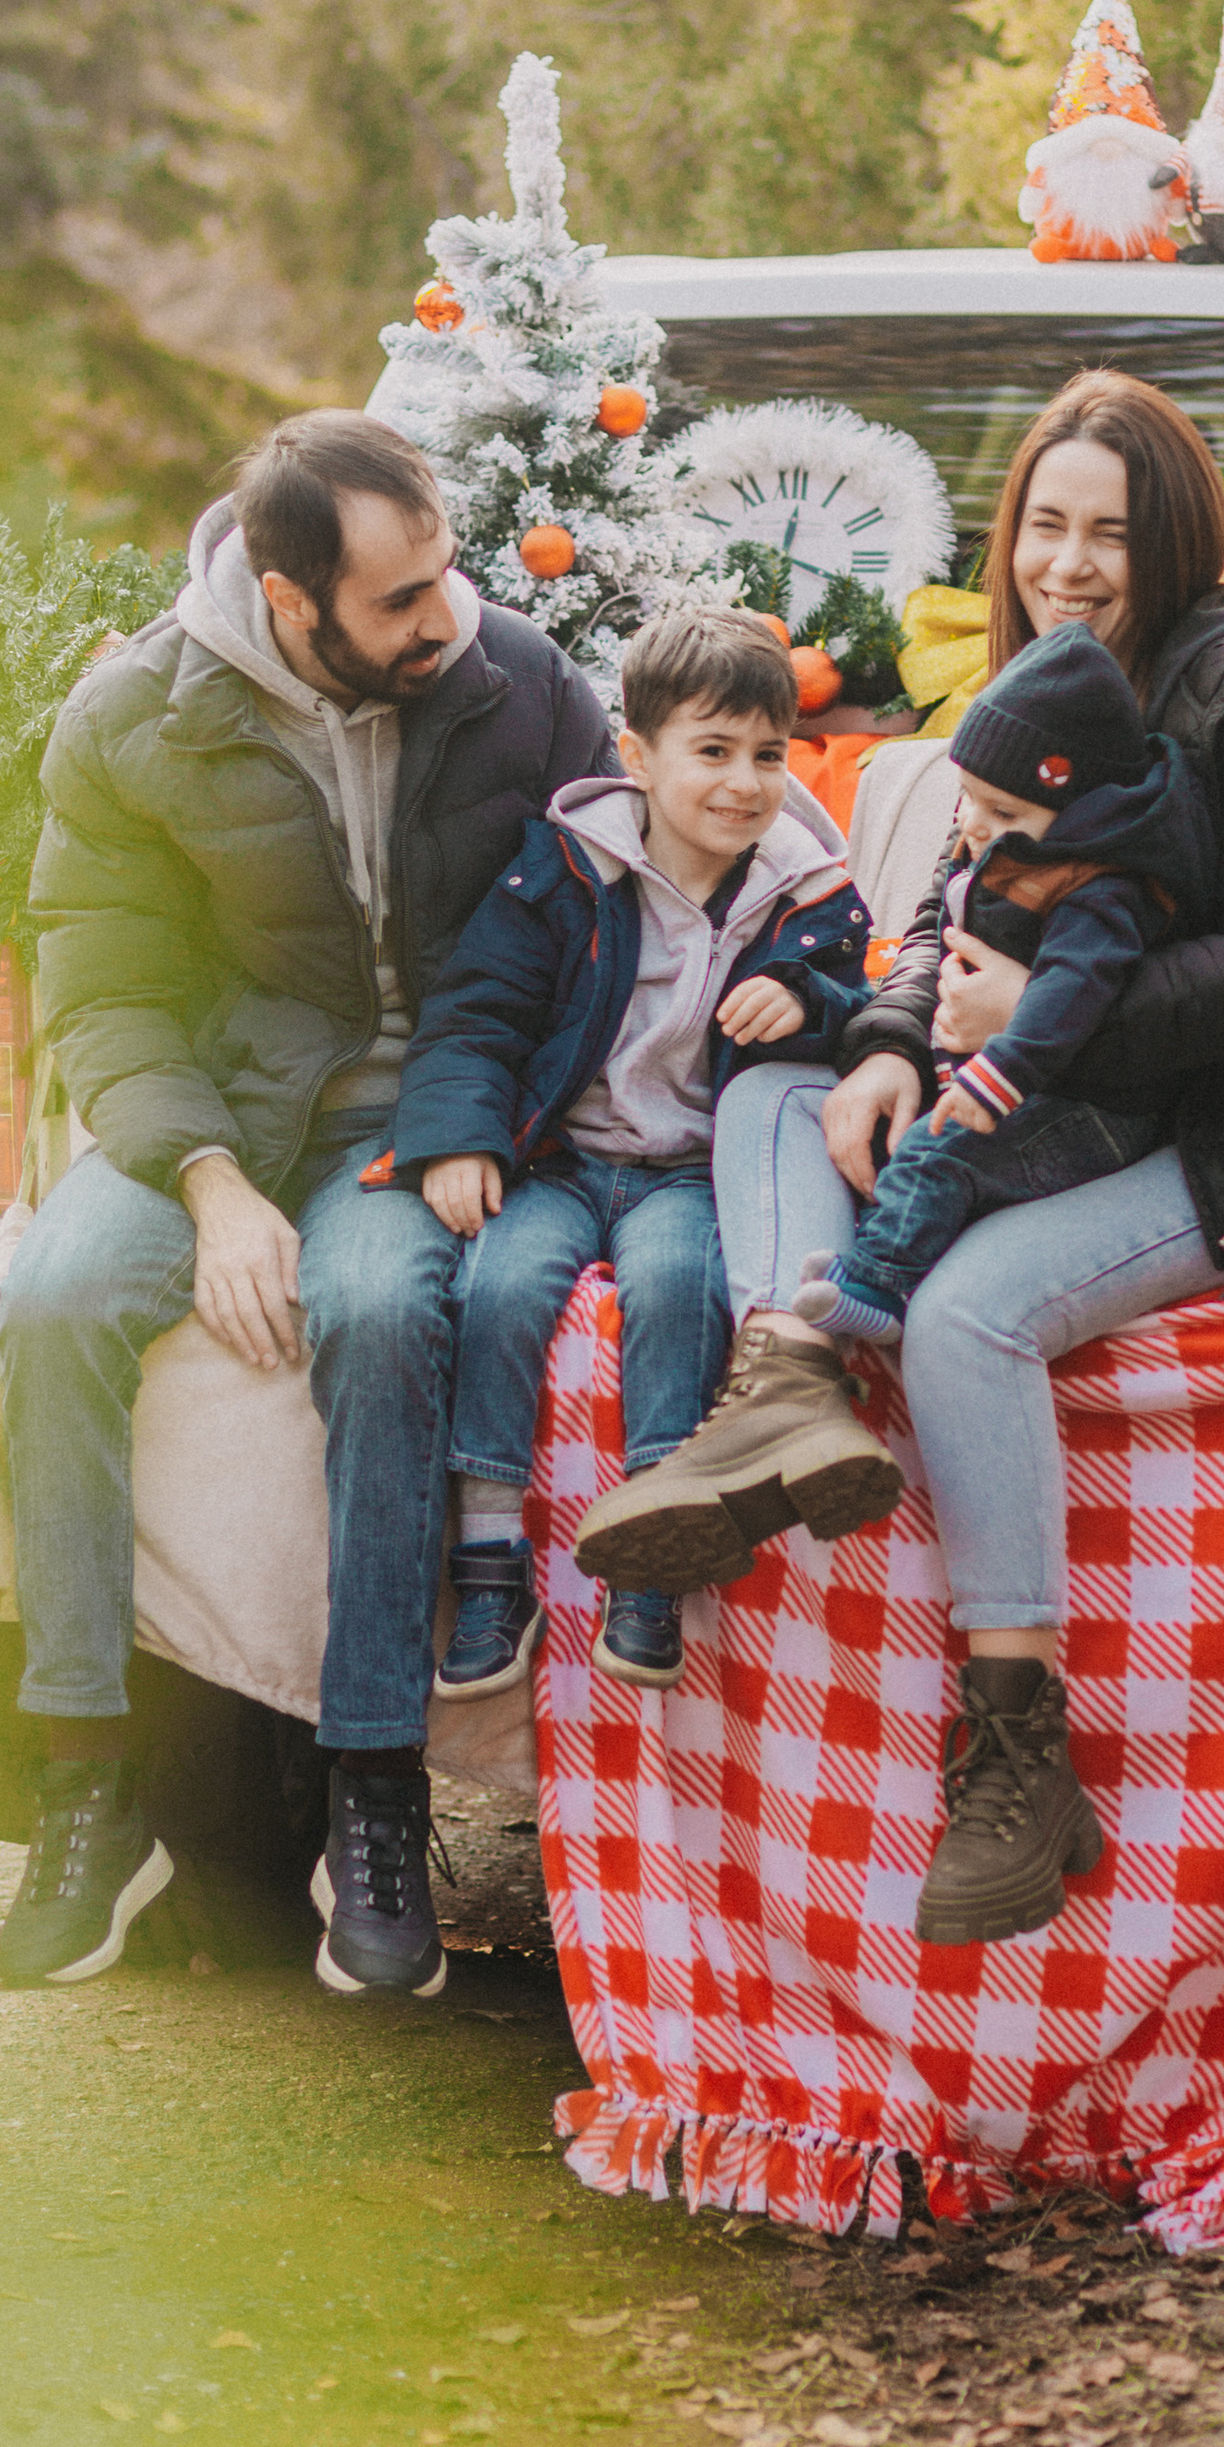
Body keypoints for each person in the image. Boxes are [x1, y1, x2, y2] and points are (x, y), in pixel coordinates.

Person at [575, 371, 1224, 1953]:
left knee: (967, 1309)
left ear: (1175, 542)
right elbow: (943, 913)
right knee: (776, 1087)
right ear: (1011, 528)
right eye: (1047, 525)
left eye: (1110, 533)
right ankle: (784, 1387)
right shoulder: (1045, 685)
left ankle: (1023, 1748)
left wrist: (1037, 1018)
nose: (1073, 563)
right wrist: (895, 1042)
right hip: (1065, 1093)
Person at [0, 413, 614, 2001]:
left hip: (421, 1124)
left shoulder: (519, 683)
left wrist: (505, 1123)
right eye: (399, 598)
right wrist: (207, 1187)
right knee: (56, 1300)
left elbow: (612, 914)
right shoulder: (134, 714)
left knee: (385, 1308)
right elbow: (106, 989)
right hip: (210, 1122)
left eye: (447, 569)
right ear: (288, 597)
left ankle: (374, 1790)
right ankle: (86, 1775)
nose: (445, 614)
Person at [379, 606, 872, 1698]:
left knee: (680, 1287)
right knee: (501, 1283)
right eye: (711, 752)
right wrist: (461, 1139)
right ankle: (493, 1555)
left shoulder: (804, 890)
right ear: (636, 755)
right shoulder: (565, 868)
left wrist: (805, 997)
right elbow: (478, 1013)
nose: (743, 783)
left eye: (767, 754)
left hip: (688, 1170)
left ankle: (656, 1548)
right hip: (562, 1156)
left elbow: (866, 1009)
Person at [785, 623, 1212, 1346]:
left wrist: (1001, 1074)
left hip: (1092, 1107)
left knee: (938, 1151)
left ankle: (876, 1291)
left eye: (1004, 811)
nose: (974, 826)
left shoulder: (1096, 888)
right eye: (969, 799)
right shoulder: (1015, 845)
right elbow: (937, 923)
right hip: (1019, 1083)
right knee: (918, 1142)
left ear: (1077, 809)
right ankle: (878, 1253)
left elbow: (1068, 994)